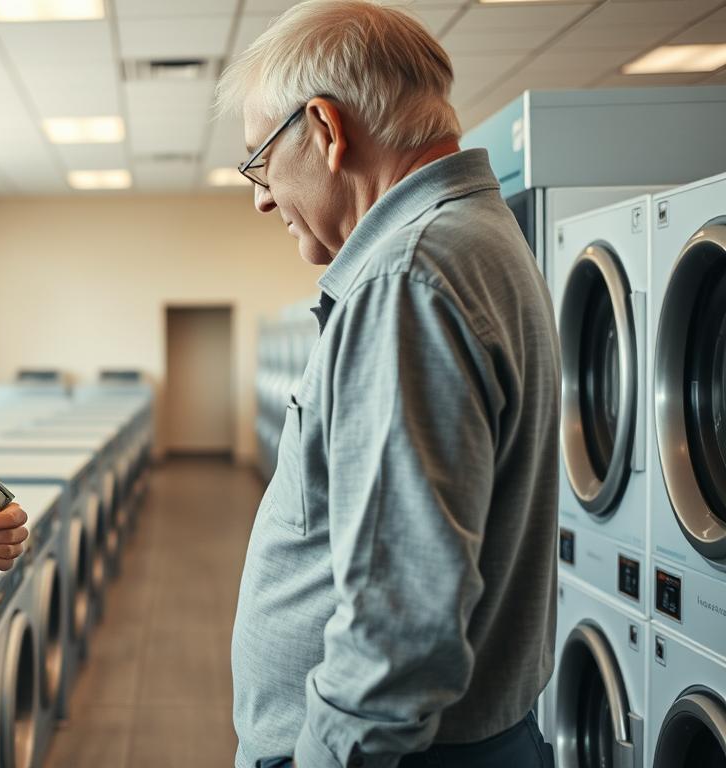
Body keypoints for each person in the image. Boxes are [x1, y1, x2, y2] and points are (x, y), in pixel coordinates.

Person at [215, 2, 560, 767]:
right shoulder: (477, 239)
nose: (262, 197)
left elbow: (399, 634)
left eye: (260, 162)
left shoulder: (409, 280)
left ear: (328, 131)